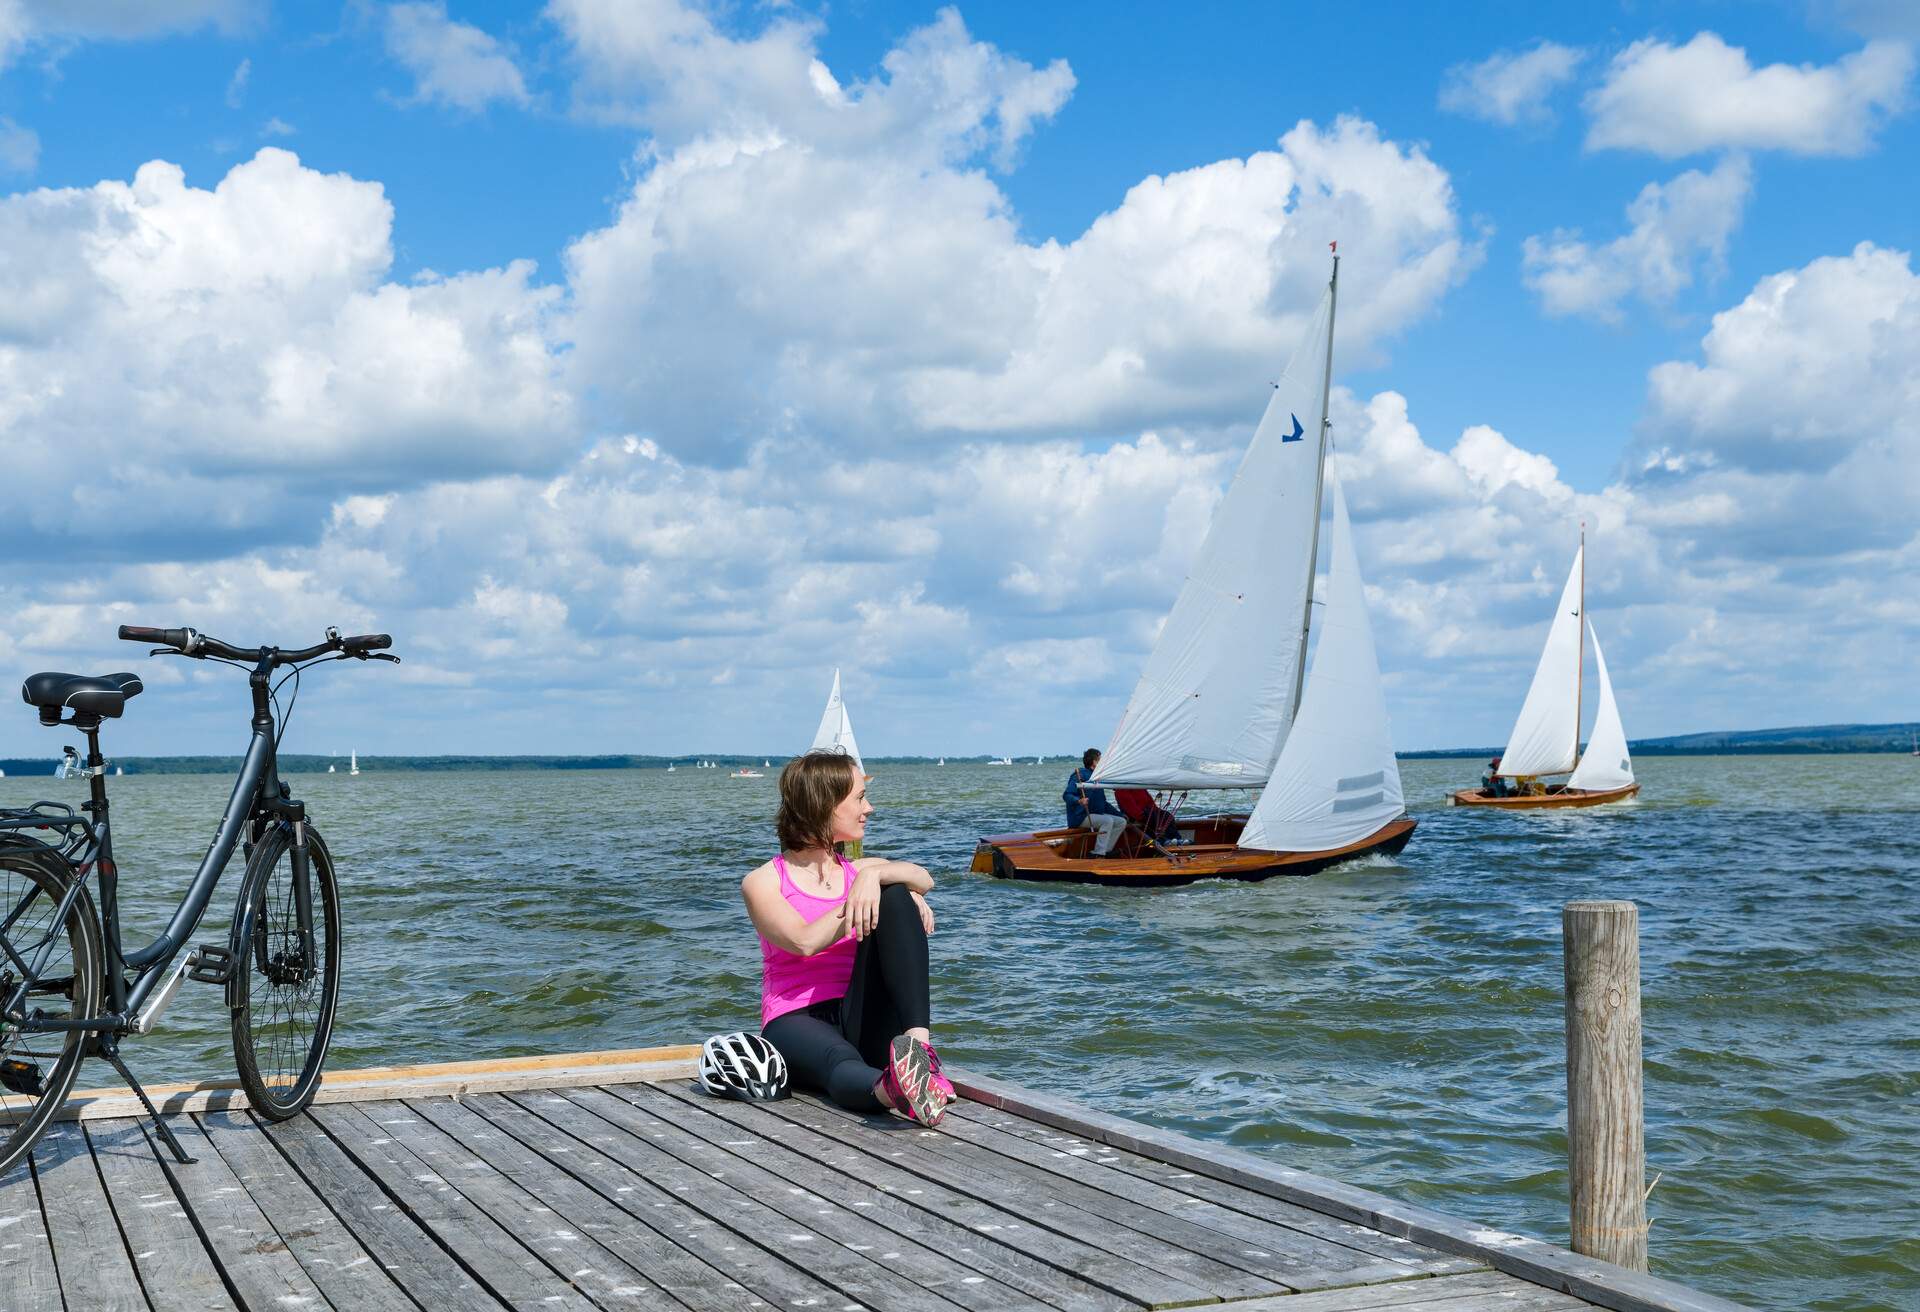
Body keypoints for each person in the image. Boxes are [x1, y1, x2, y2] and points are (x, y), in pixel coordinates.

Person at [743, 750, 951, 1126]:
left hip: (860, 1011)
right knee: (838, 1062)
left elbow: (925, 877)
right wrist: (862, 894)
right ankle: (893, 1090)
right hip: (795, 1018)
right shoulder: (763, 882)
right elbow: (803, 941)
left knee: (896, 894)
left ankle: (921, 1052)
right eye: (858, 797)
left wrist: (877, 880)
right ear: (824, 803)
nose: (868, 807)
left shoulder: (861, 870)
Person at [1063, 748, 1127, 856]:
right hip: (1079, 817)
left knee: (1121, 822)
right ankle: (1098, 853)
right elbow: (1067, 795)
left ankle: (1106, 850)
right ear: (1094, 762)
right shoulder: (1079, 775)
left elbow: (1103, 804)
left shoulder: (1097, 778)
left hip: (1093, 815)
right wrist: (1079, 801)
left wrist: (1120, 815)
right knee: (1107, 821)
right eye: (1100, 760)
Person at [1114, 788, 1179, 847]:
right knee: (1152, 818)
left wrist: (1158, 812)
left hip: (1148, 812)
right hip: (1135, 816)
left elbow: (1150, 802)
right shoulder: (1121, 790)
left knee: (1167, 815)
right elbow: (1130, 807)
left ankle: (1176, 839)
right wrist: (1140, 816)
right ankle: (1163, 841)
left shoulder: (1140, 788)